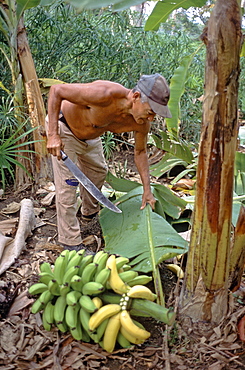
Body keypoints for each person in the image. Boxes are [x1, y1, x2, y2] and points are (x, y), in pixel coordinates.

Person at [46, 73, 172, 251]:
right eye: (150, 111)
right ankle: (69, 241)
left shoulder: (140, 123)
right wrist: (52, 135)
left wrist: (147, 190)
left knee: (98, 173)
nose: (151, 118)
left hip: (92, 137)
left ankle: (89, 214)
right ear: (136, 97)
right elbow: (56, 90)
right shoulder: (105, 94)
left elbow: (140, 152)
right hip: (64, 129)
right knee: (68, 185)